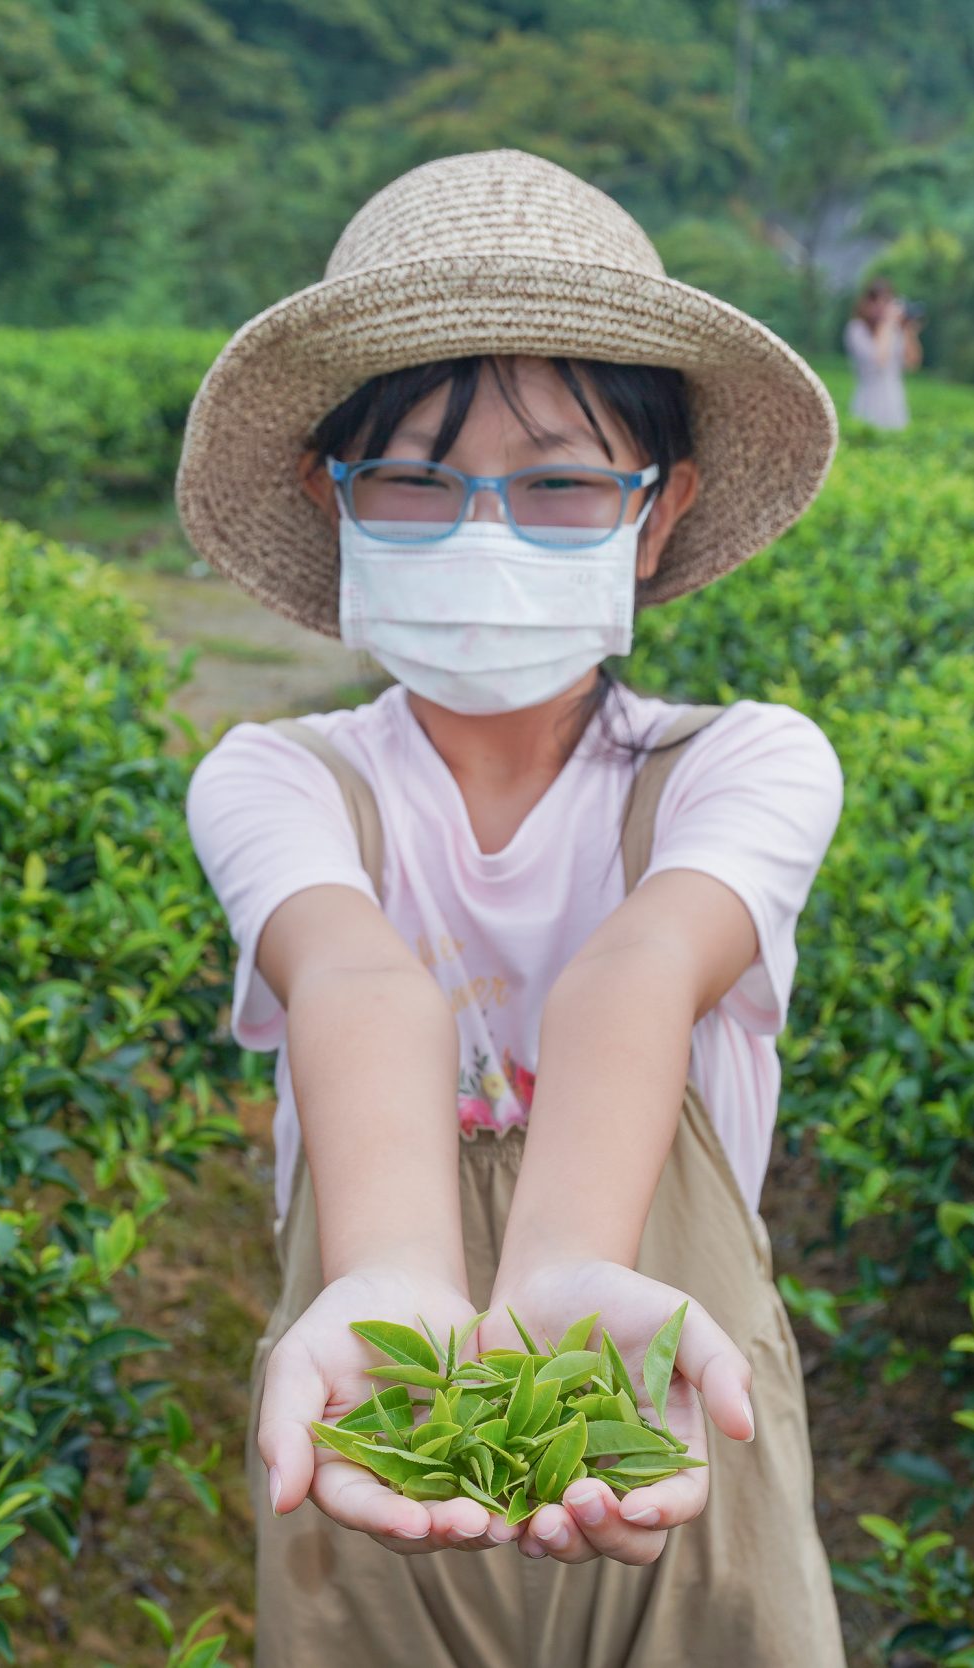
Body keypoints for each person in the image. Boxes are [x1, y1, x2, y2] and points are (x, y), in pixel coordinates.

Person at [174, 150, 848, 1667]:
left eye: (559, 484)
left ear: (657, 514)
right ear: (329, 498)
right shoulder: (278, 779)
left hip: (668, 1424)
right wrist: (403, 1285)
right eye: (417, 479)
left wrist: (554, 1272)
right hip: (380, 1433)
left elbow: (640, 969)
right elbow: (357, 983)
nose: (486, 529)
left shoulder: (739, 767)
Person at [843, 278, 919, 430]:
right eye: (878, 302)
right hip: (869, 401)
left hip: (894, 400)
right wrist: (888, 323)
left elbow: (912, 363)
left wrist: (909, 331)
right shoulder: (856, 329)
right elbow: (879, 360)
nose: (882, 308)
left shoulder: (894, 331)